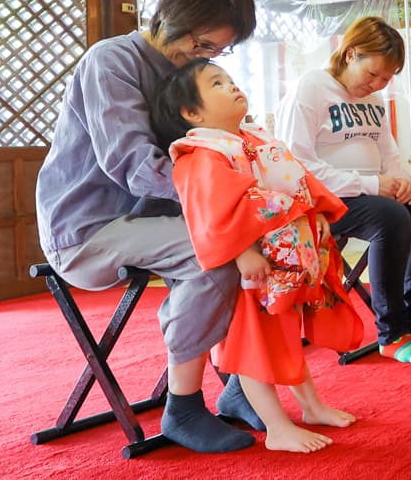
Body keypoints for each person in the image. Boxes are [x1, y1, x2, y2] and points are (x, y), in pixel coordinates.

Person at [35, 0, 264, 453]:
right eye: (202, 44)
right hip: (87, 227)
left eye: (217, 52)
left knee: (260, 246)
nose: (205, 57)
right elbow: (131, 164)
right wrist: (222, 196)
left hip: (153, 217)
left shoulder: (184, 70)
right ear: (170, 18)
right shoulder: (112, 61)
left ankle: (242, 387)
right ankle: (183, 407)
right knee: (217, 251)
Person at [150, 58, 363, 453]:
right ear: (191, 112)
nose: (232, 86)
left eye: (230, 79)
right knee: (255, 347)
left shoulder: (255, 140)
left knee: (286, 336)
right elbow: (211, 211)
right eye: (217, 83)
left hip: (287, 258)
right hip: (256, 267)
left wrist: (319, 216)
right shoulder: (200, 153)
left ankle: (311, 406)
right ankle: (277, 427)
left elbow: (300, 180)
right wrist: (242, 251)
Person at [275, 16, 411, 364]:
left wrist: (401, 181)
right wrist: (372, 184)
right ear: (350, 54)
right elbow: (296, 164)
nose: (377, 84)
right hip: (323, 198)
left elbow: (389, 154)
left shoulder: (373, 101)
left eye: (386, 79)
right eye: (372, 74)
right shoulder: (311, 88)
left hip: (371, 192)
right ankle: (391, 332)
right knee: (390, 217)